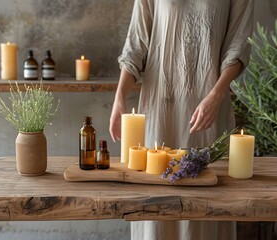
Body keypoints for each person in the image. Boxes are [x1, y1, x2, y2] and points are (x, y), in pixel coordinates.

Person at [109, 0, 254, 240]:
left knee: (207, 206)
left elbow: (237, 47)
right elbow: (136, 46)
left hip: (208, 111)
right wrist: (119, 98)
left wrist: (216, 95)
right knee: (154, 206)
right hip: (160, 110)